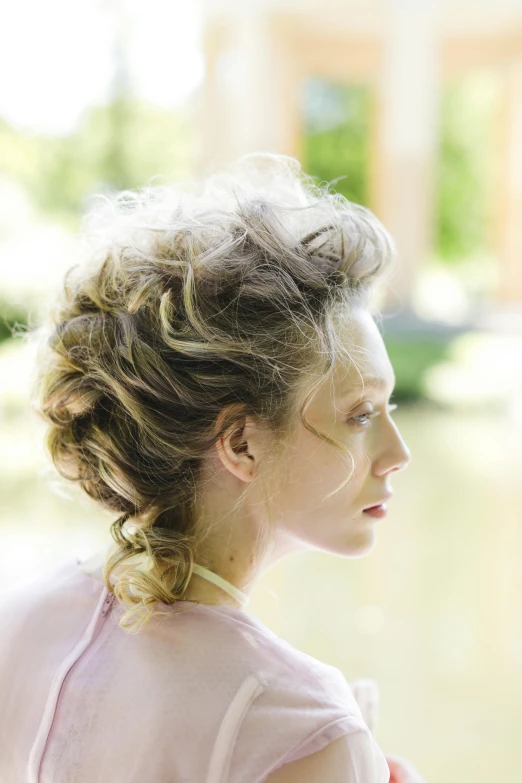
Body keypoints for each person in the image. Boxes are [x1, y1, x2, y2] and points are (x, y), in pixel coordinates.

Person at [0, 152, 427, 782]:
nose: (398, 454)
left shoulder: (22, 619)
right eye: (360, 415)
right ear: (242, 444)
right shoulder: (301, 732)